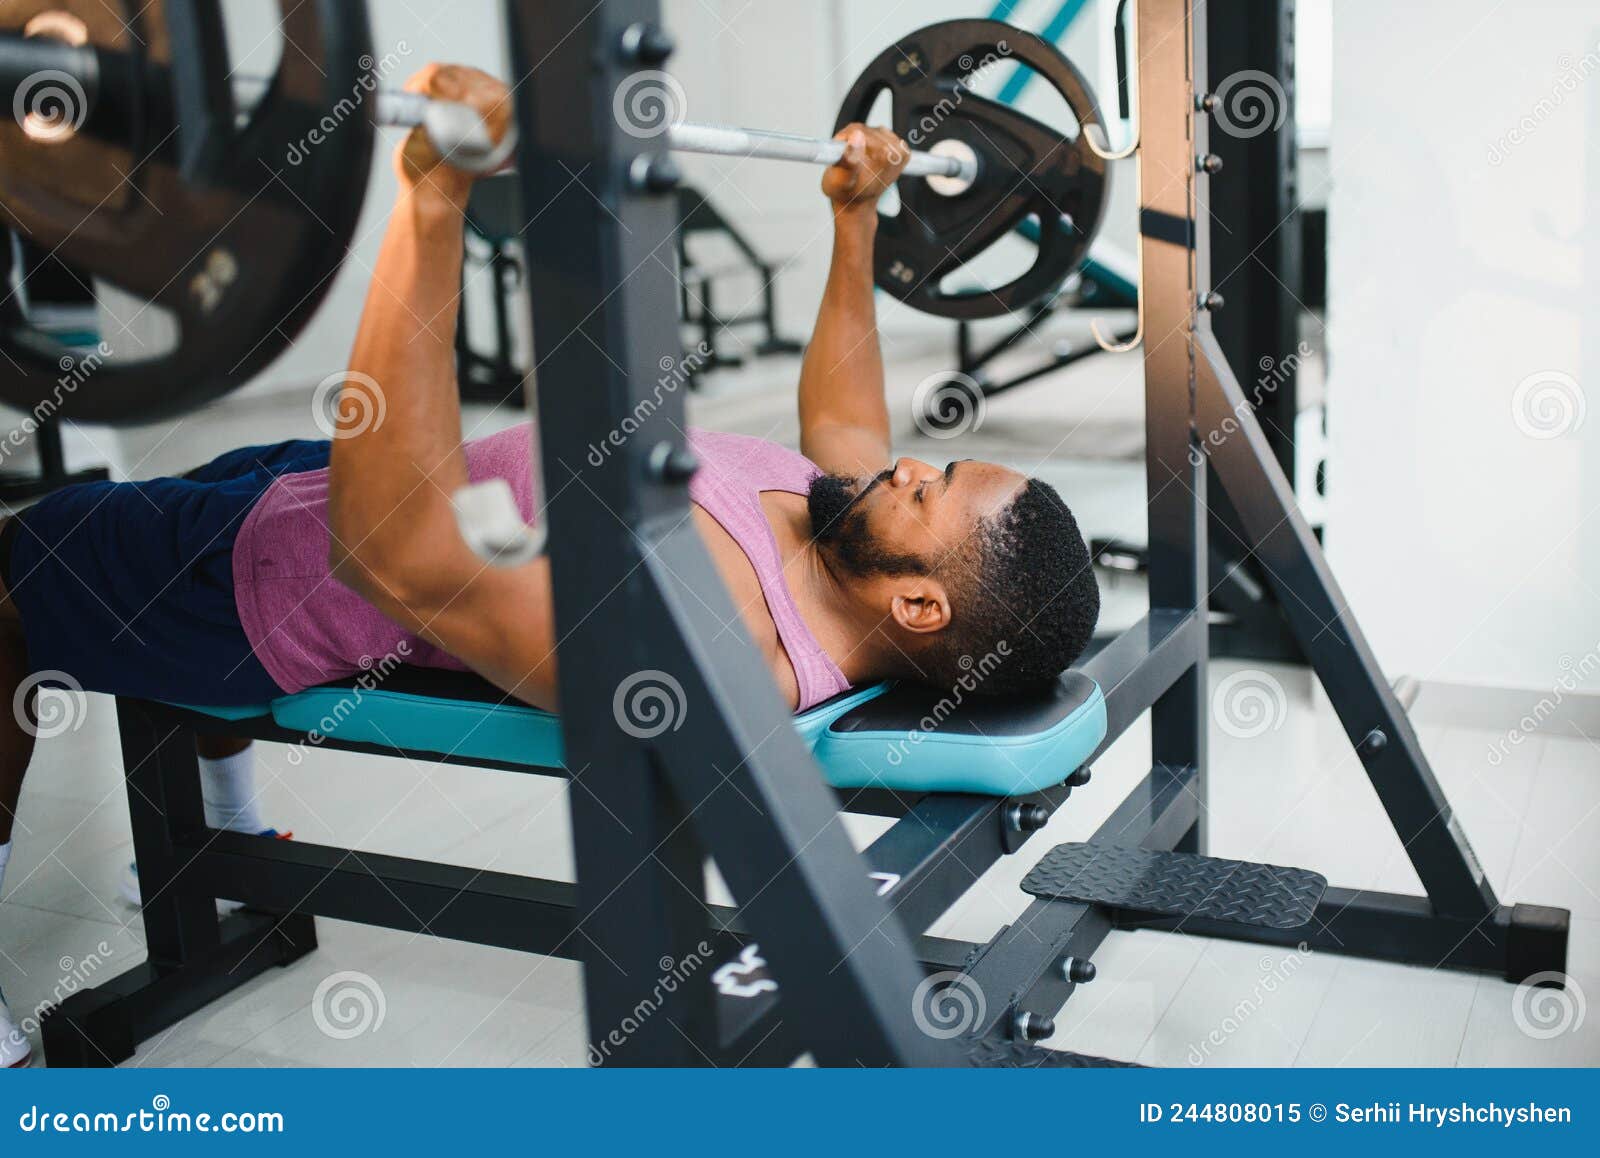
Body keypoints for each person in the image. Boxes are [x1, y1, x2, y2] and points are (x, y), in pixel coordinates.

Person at [0, 65, 1099, 1066]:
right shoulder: (844, 524)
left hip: (266, 581)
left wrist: (432, 202)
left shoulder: (718, 639)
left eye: (930, 490)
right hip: (323, 470)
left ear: (916, 602)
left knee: (17, 592)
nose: (903, 464)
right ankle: (223, 841)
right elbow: (847, 414)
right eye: (935, 461)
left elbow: (400, 558)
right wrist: (855, 217)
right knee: (154, 506)